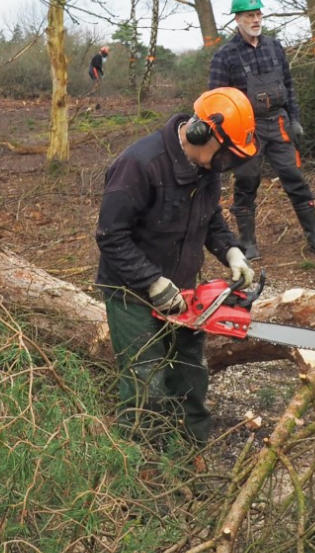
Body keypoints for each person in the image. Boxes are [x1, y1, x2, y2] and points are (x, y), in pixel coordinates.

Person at [94, 87, 258, 447]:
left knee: (191, 376)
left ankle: (189, 455)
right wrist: (152, 282)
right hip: (132, 295)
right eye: (225, 154)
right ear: (203, 132)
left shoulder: (205, 166)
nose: (226, 164)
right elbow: (110, 235)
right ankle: (145, 471)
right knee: (146, 385)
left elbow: (210, 216)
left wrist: (231, 250)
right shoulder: (139, 165)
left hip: (183, 290)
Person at [207, 0, 315, 259]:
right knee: (246, 182)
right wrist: (224, 138)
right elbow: (215, 101)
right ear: (237, 19)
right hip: (245, 130)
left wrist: (295, 120)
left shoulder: (275, 47)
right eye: (250, 15)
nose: (256, 20)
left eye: (258, 14)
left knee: (295, 178)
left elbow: (288, 86)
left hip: (278, 123)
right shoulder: (225, 56)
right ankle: (249, 243)